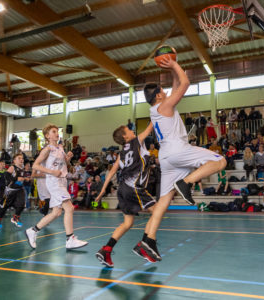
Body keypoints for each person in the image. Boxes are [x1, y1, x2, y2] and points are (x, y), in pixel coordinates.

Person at [138, 58, 226, 261]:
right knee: (220, 161)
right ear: (159, 95)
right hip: (178, 150)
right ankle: (185, 183)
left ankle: (147, 240)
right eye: (164, 91)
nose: (167, 92)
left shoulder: (156, 110)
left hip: (166, 157)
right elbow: (185, 84)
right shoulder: (165, 105)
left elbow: (177, 84)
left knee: (163, 201)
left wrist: (172, 69)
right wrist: (174, 66)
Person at [94, 123, 156, 266]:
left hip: (123, 189)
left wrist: (103, 189)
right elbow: (150, 127)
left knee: (128, 223)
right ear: (125, 136)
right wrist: (159, 107)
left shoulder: (121, 154)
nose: (132, 130)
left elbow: (112, 171)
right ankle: (144, 245)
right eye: (129, 130)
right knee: (157, 211)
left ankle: (106, 250)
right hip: (133, 187)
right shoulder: (137, 141)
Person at [25, 124, 88, 250]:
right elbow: (35, 166)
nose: (57, 133)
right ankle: (70, 239)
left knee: (56, 212)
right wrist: (52, 172)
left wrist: (68, 159)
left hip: (62, 181)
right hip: (54, 181)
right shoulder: (47, 149)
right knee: (69, 208)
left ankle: (33, 230)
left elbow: (66, 166)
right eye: (54, 131)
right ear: (47, 136)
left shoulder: (60, 147)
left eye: (57, 131)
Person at [0, 154, 28, 229]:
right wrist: (16, 179)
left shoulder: (22, 168)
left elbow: (21, 178)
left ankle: (15, 217)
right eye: (19, 158)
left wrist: (25, 179)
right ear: (14, 160)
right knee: (4, 207)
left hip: (19, 189)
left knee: (21, 204)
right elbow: (6, 175)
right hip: (10, 190)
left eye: (22, 158)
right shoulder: (12, 167)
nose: (21, 159)